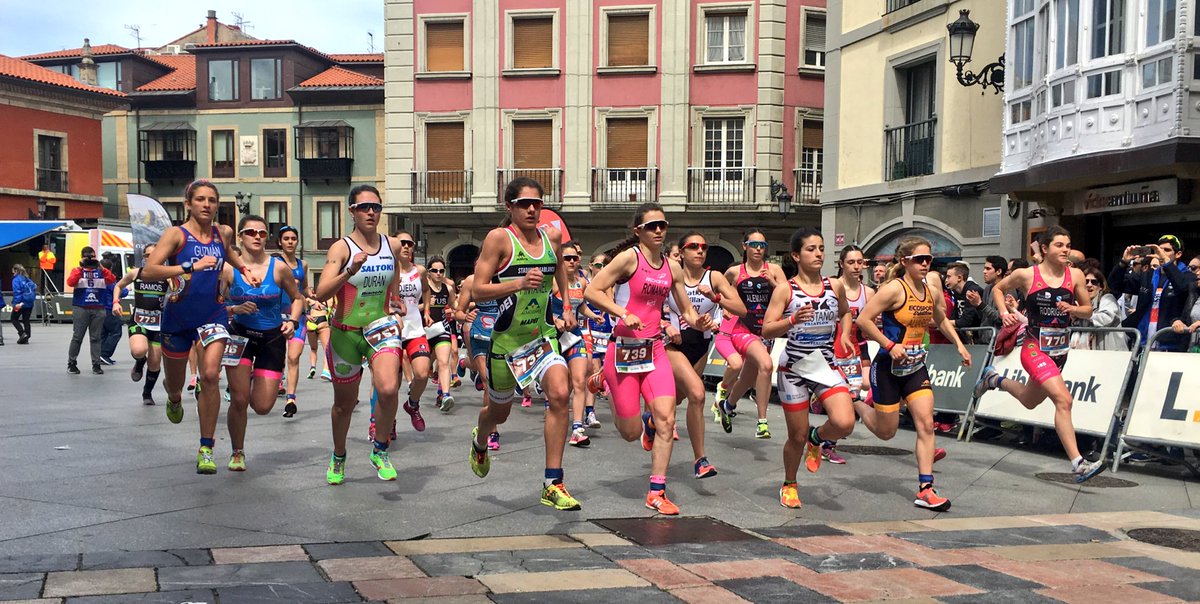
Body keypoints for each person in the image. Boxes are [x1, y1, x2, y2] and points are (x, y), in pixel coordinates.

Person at [586, 202, 713, 514]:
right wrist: (622, 312)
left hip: (655, 349)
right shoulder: (629, 258)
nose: (658, 230)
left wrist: (699, 321)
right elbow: (593, 291)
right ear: (638, 231)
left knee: (666, 419)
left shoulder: (673, 268)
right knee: (630, 433)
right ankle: (606, 380)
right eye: (652, 226)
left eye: (663, 225)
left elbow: (686, 311)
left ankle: (657, 491)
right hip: (624, 347)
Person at [468, 177, 581, 511]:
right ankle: (480, 438)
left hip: (541, 337)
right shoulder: (499, 239)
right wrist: (517, 283)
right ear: (510, 207)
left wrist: (565, 303)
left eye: (537, 203)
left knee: (561, 393)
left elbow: (558, 267)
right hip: (506, 344)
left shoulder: (552, 236)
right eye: (524, 204)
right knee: (498, 414)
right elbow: (477, 290)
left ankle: (552, 482)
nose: (532, 209)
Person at [140, 179, 256, 474]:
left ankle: (206, 447)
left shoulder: (223, 232)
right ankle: (175, 397)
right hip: (177, 319)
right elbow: (150, 270)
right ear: (188, 204)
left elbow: (228, 251)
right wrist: (189, 267)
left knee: (210, 375)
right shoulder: (175, 235)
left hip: (213, 314)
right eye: (201, 200)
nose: (207, 205)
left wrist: (244, 269)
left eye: (212, 200)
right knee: (175, 384)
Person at [974, 226, 1105, 483]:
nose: (1065, 249)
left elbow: (1088, 310)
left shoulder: (1075, 275)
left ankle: (993, 380)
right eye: (1059, 245)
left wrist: (1073, 309)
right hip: (1034, 346)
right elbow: (998, 289)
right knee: (1064, 400)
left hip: (1059, 350)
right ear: (1044, 249)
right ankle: (1078, 463)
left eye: (1068, 245)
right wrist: (1003, 313)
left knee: (1029, 400)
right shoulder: (1026, 274)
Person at [854, 236, 971, 511]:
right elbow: (862, 320)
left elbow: (940, 318)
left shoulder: (930, 289)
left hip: (916, 366)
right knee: (887, 432)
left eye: (929, 259)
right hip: (888, 367)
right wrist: (889, 345)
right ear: (904, 261)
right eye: (919, 259)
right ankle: (856, 403)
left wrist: (960, 345)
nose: (925, 264)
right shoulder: (894, 289)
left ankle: (926, 489)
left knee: (926, 424)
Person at [313, 185, 407, 483]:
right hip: (345, 332)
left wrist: (394, 300)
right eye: (364, 207)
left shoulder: (391, 245)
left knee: (389, 388)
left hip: (380, 327)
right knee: (345, 404)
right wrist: (349, 271)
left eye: (376, 208)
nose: (371, 212)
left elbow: (394, 273)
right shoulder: (341, 248)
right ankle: (339, 455)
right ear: (352, 211)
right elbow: (321, 292)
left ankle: (380, 449)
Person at [760, 227, 857, 508]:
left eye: (821, 248)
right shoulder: (785, 290)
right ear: (796, 255)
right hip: (794, 369)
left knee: (844, 422)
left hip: (825, 364)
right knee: (796, 435)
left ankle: (819, 438)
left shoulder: (834, 286)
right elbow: (766, 329)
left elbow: (845, 312)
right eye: (811, 249)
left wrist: (845, 335)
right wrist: (791, 321)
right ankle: (790, 483)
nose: (818, 254)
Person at [223, 215, 304, 471]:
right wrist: (235, 308)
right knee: (239, 399)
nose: (257, 237)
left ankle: (247, 382)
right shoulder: (228, 269)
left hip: (271, 338)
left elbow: (298, 298)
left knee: (262, 406)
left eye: (261, 233)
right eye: (250, 232)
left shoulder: (279, 268)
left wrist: (292, 321)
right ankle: (237, 451)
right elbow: (215, 307)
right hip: (240, 335)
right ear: (240, 237)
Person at [663, 231, 744, 478]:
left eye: (704, 247)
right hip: (671, 343)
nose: (700, 251)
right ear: (682, 251)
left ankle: (652, 417)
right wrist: (665, 324)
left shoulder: (714, 277)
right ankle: (701, 459)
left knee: (680, 398)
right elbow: (651, 306)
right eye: (693, 246)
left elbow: (741, 308)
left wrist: (716, 297)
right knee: (697, 395)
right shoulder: (669, 275)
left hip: (700, 344)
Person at [715, 229, 788, 438]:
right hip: (742, 329)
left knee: (748, 378)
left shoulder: (773, 269)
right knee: (766, 364)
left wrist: (773, 283)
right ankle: (762, 422)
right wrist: (726, 308)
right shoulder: (735, 272)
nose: (758, 249)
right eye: (754, 244)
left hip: (765, 330)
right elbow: (724, 293)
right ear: (744, 246)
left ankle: (727, 406)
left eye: (762, 245)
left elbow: (788, 295)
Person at [1108, 235, 1193, 352]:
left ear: (1178, 254)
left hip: (1171, 343)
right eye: (1159, 249)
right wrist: (1123, 262)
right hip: (1143, 342)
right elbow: (1114, 285)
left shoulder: (1187, 276)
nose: (1161, 253)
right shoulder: (1148, 275)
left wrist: (1166, 263)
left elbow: (1182, 289)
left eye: (1166, 250)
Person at [553, 242, 595, 448]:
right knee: (559, 387)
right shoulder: (552, 282)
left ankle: (577, 428)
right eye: (566, 258)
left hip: (574, 335)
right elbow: (539, 306)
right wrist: (555, 319)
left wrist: (595, 315)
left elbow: (582, 305)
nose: (571, 261)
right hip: (553, 337)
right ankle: (554, 419)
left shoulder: (581, 283)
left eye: (574, 258)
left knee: (580, 380)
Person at [454, 273, 502, 450]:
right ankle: (492, 431)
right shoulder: (472, 280)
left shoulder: (507, 277)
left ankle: (464, 363)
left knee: (498, 385)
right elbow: (458, 311)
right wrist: (465, 316)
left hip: (501, 337)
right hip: (479, 336)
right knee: (488, 381)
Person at [115, 247, 167, 405]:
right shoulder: (136, 273)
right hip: (139, 320)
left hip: (159, 324)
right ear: (143, 257)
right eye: (147, 255)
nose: (150, 258)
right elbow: (118, 286)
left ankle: (147, 393)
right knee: (139, 350)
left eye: (154, 255)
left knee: (155, 362)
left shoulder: (167, 275)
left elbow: (180, 291)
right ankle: (139, 362)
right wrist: (116, 302)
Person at [276, 225, 312, 418]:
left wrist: (312, 295)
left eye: (293, 238)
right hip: (277, 318)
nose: (290, 242)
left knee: (293, 357)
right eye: (286, 238)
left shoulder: (303, 265)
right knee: (278, 357)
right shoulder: (275, 263)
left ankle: (291, 399)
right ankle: (277, 381)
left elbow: (305, 289)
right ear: (280, 242)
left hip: (298, 317)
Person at [66, 246, 119, 375]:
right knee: (77, 337)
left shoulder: (101, 271)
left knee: (96, 338)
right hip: (81, 307)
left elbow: (112, 280)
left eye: (92, 256)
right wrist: (81, 268)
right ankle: (71, 363)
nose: (90, 259)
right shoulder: (77, 270)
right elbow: (70, 282)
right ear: (82, 257)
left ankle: (96, 364)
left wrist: (101, 268)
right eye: (87, 257)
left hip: (98, 308)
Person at [423, 255, 458, 412]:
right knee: (423, 370)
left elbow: (455, 305)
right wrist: (425, 306)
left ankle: (445, 395)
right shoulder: (423, 288)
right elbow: (411, 308)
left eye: (441, 270)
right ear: (428, 272)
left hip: (441, 329)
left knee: (443, 361)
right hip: (423, 331)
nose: (438, 273)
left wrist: (468, 303)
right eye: (434, 270)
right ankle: (414, 394)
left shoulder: (448, 289)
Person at [1071, 268, 1128, 351]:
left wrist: (1084, 313)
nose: (1089, 285)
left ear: (1101, 286)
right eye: (1086, 282)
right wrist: (1075, 318)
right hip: (1090, 352)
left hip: (1111, 352)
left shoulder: (1108, 298)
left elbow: (1105, 318)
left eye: (1094, 282)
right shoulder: (1080, 302)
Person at [966, 256, 1008, 330]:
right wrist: (975, 304)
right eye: (984, 268)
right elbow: (983, 316)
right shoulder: (987, 288)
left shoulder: (1008, 289)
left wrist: (980, 304)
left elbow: (1002, 318)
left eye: (988, 269)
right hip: (985, 337)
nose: (984, 271)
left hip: (998, 338)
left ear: (999, 271)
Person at [99, 256, 126, 365]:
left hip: (99, 310)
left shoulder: (97, 279)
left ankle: (99, 354)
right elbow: (121, 292)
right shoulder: (110, 280)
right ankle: (105, 354)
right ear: (110, 268)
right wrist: (126, 289)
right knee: (116, 332)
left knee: (103, 333)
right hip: (110, 309)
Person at [305, 296, 332, 381]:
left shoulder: (310, 300)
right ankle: (326, 370)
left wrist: (307, 313)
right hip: (322, 322)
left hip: (311, 323)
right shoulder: (329, 299)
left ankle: (313, 367)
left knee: (313, 349)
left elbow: (304, 300)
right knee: (327, 349)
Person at [9, 264, 36, 344]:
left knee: (14, 319)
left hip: (20, 303)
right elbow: (34, 287)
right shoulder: (27, 279)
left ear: (15, 271)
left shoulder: (16, 280)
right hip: (29, 303)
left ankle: (22, 333)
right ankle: (27, 337)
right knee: (26, 320)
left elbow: (17, 292)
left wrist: (16, 303)